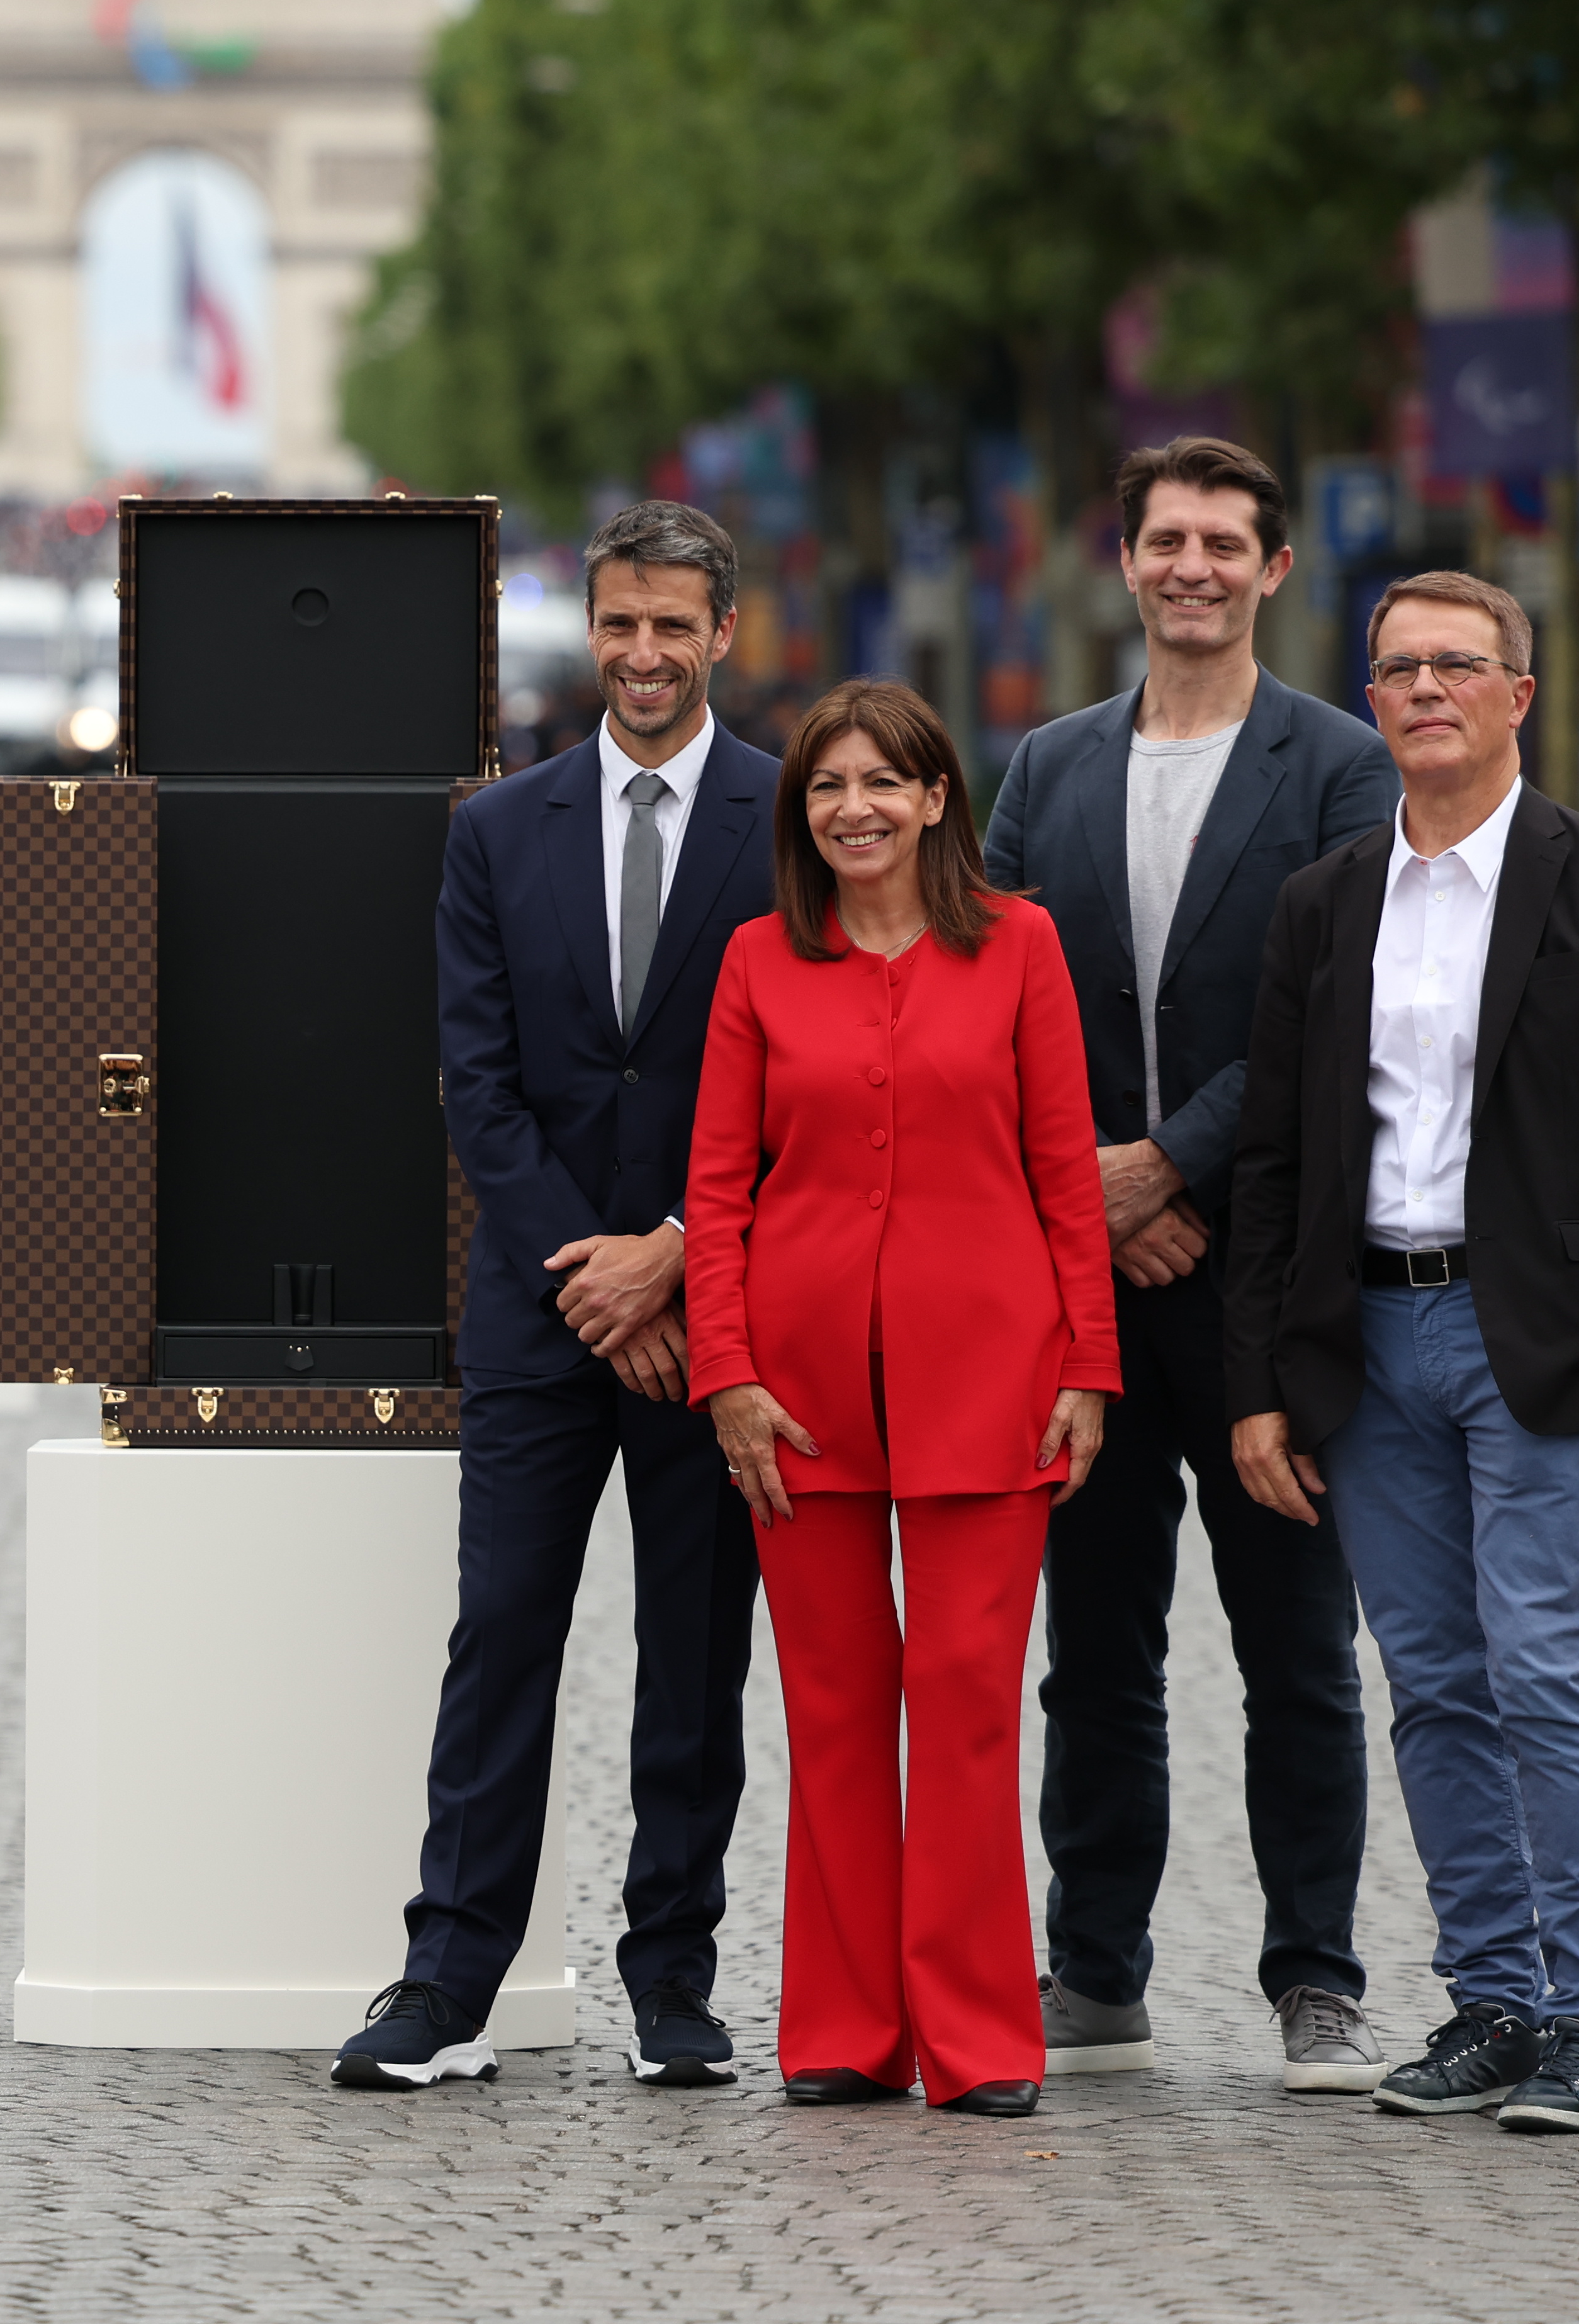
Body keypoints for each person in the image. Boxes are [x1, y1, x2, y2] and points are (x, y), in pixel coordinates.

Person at [1224, 568, 1579, 2135]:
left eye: (1458, 663)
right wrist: (1256, 1383)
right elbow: (1274, 1166)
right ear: (1368, 702)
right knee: (1432, 1682)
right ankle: (1492, 2002)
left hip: (1548, 1347)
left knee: (1549, 1668)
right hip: (1368, 1340)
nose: (1425, 688)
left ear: (1520, 692)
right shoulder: (1323, 903)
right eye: (1395, 668)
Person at [333, 501, 777, 2094]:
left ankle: (675, 1982)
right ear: (585, 633)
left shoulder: (789, 818)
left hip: (718, 1312)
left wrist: (673, 1255)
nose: (643, 654)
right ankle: (448, 1974)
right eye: (618, 626)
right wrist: (595, 1274)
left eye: (672, 625)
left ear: (724, 630)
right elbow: (477, 1086)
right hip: (541, 1314)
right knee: (503, 1635)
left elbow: (793, 1084)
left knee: (694, 1654)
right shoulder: (494, 829)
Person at [980, 436, 1402, 2094]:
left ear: (1274, 570)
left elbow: (1340, 1005)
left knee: (1296, 1641)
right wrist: (1092, 1192)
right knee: (1093, 1650)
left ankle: (1319, 1977)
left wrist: (1174, 1164)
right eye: (1169, 540)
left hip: (1262, 1278)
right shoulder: (1048, 768)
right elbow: (989, 1001)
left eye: (1228, 542)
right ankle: (1096, 1968)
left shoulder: (1339, 768)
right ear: (1128, 561)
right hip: (1078, 1285)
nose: (1196, 568)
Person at [687, 678, 1118, 2116]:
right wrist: (729, 1372)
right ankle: (843, 2026)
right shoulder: (758, 961)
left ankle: (982, 2036)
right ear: (799, 814)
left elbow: (1068, 1172)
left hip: (991, 1381)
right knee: (831, 1703)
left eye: (883, 781)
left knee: (968, 1703)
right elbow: (717, 1190)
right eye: (826, 787)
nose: (854, 808)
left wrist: (1086, 1366)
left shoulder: (1021, 948)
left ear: (939, 797)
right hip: (798, 1397)